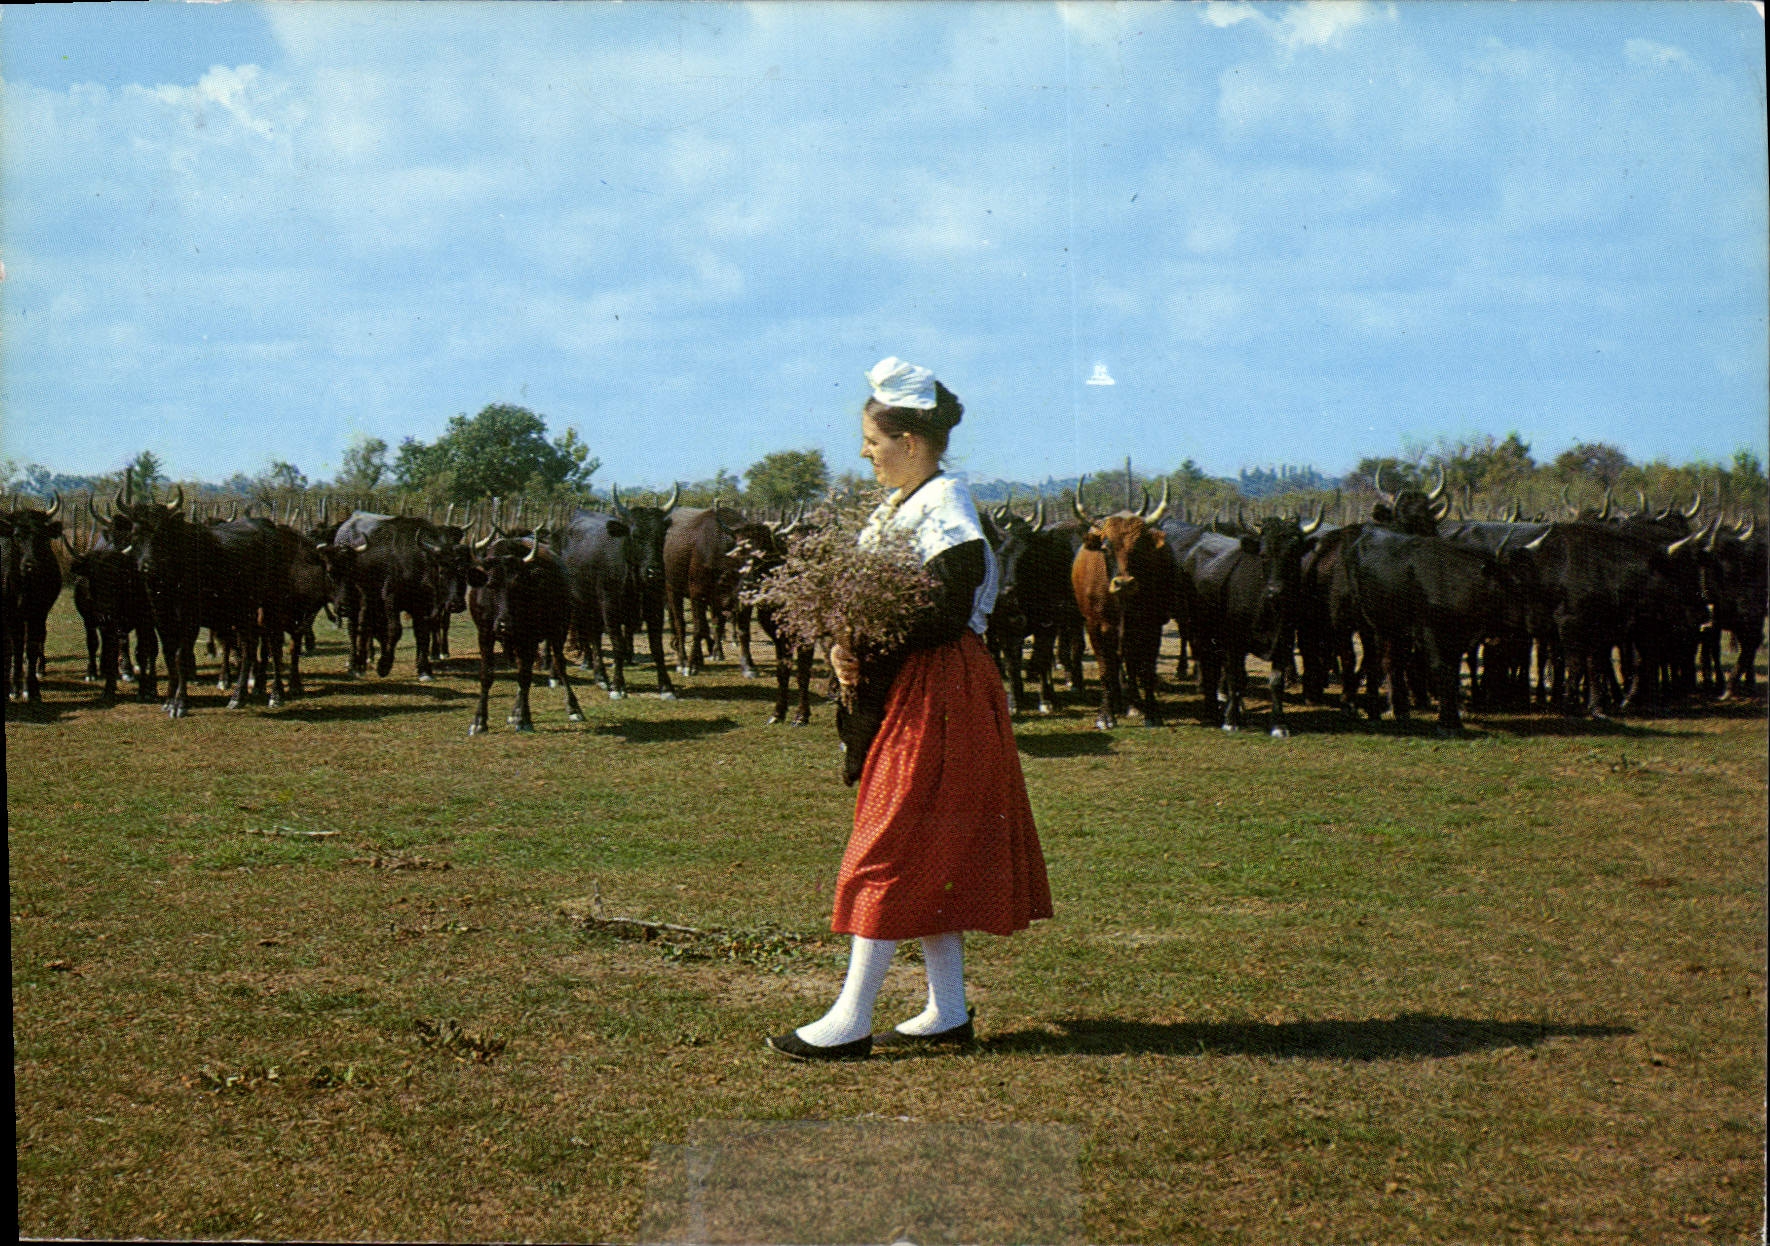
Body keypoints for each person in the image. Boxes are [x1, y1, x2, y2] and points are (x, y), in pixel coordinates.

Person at [767, 357, 1054, 1061]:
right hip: (918, 685)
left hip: (942, 690)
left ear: (910, 440)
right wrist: (845, 643)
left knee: (891, 841)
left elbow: (947, 611)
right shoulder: (906, 505)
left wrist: (861, 638)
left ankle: (851, 1017)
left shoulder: (944, 509)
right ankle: (947, 1010)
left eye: (872, 438)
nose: (865, 452)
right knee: (928, 845)